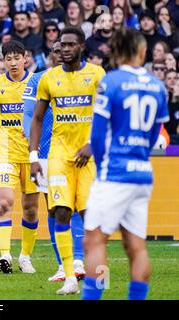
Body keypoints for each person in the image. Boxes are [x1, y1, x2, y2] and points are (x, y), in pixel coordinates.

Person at [81, 28, 170, 300]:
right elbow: (155, 134)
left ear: (116, 52)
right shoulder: (158, 86)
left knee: (95, 240)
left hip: (114, 173)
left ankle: (95, 296)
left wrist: (103, 163)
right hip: (142, 173)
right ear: (142, 51)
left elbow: (97, 135)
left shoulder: (111, 82)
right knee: (136, 246)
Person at [30, 26, 105, 294]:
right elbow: (37, 118)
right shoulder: (49, 78)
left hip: (88, 156)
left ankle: (98, 271)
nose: (64, 49)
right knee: (60, 211)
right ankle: (71, 277)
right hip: (59, 155)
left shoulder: (96, 74)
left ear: (82, 47)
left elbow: (105, 115)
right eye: (61, 45)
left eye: (70, 45)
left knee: (90, 215)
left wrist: (92, 144)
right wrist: (34, 156)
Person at [22, 39, 85, 283]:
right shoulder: (38, 79)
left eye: (65, 50)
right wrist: (33, 149)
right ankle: (63, 264)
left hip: (78, 151)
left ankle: (78, 260)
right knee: (55, 205)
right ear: (50, 55)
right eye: (56, 51)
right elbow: (29, 114)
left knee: (77, 202)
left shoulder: (82, 77)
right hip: (47, 152)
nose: (61, 55)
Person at [0, 40, 39, 274]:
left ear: (25, 58)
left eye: (17, 58)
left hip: (31, 153)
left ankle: (25, 256)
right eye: (8, 58)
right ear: (3, 61)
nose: (13, 63)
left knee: (31, 209)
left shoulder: (37, 82)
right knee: (4, 202)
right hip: (4, 152)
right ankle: (5, 255)